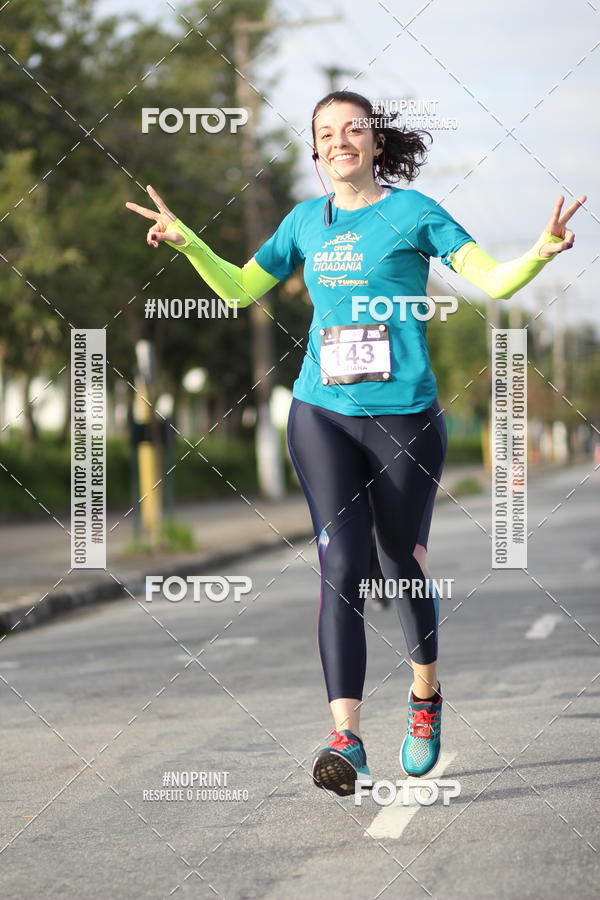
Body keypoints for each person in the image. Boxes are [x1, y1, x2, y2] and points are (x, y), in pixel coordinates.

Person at [126, 90, 585, 798]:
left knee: (400, 562)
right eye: (325, 132)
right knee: (340, 564)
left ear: (375, 144)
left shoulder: (415, 213)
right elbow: (241, 290)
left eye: (353, 130)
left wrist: (540, 252)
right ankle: (348, 738)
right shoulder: (303, 222)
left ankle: (425, 695)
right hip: (322, 412)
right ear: (315, 150)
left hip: (405, 418)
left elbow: (493, 280)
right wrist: (189, 243)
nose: (339, 140)